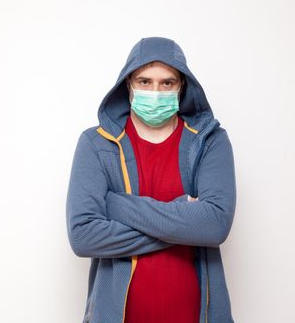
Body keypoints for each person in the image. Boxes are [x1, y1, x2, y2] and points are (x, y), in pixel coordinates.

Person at [66, 37, 236, 323]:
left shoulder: (210, 142)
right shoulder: (96, 144)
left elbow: (214, 225)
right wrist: (185, 217)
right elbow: (83, 236)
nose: (155, 91)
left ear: (182, 86)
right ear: (128, 84)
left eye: (166, 83)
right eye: (145, 81)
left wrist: (116, 205)